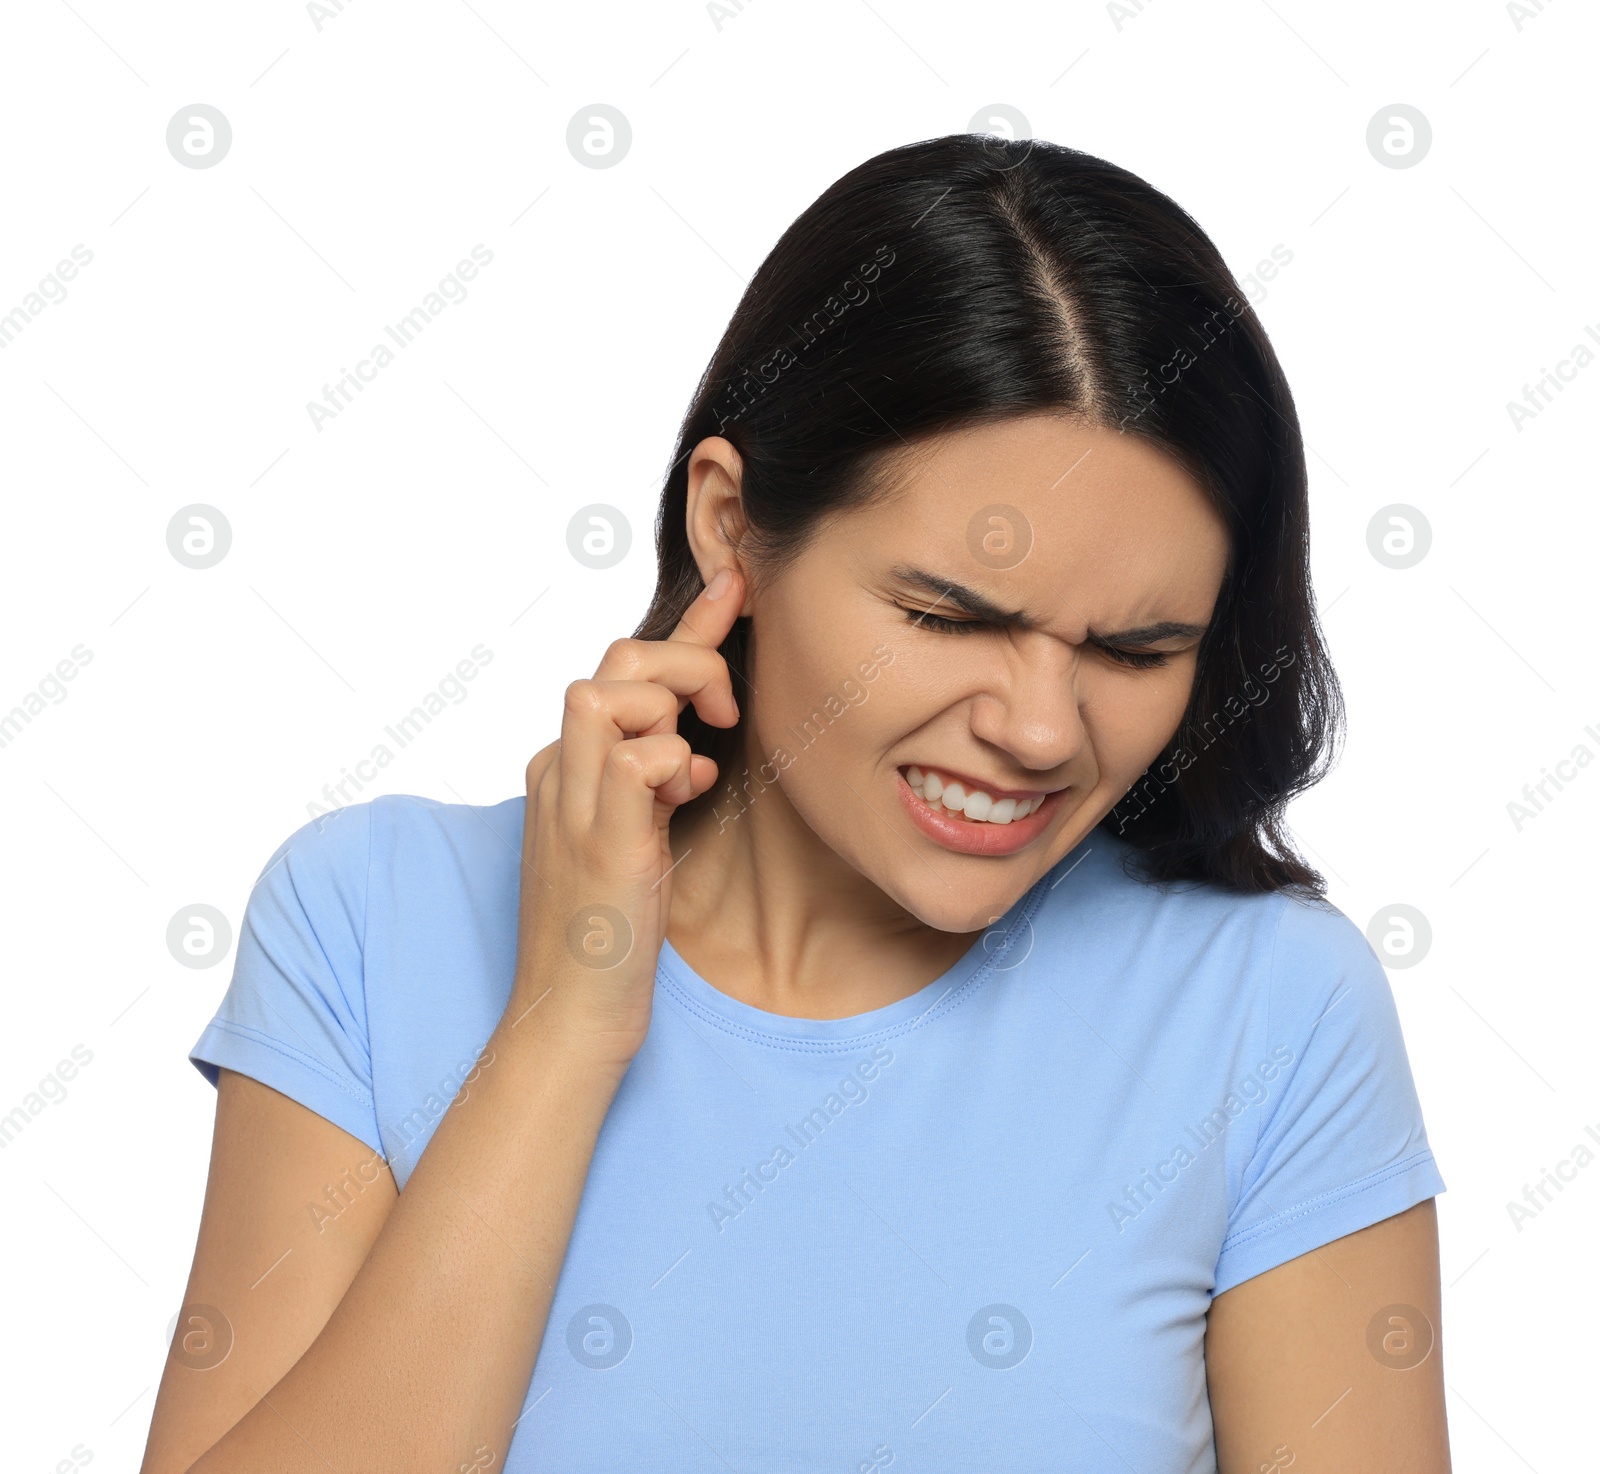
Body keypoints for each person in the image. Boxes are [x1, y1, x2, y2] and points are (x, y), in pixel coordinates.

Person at [141, 134, 1449, 1473]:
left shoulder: (1272, 1012)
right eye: (947, 615)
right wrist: (563, 1025)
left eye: (1135, 649)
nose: (1042, 729)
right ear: (730, 526)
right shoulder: (368, 922)